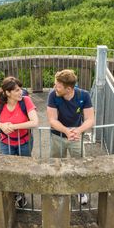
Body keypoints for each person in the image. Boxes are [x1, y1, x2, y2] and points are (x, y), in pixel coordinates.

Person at [0, 76, 39, 207]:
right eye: (17, 90)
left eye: (20, 89)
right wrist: (1, 125)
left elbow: (34, 122)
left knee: (23, 168)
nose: (21, 92)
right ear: (8, 93)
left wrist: (12, 126)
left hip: (24, 142)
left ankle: (21, 193)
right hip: (6, 142)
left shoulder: (26, 100)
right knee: (7, 168)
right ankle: (13, 194)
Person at [46, 69, 95, 204]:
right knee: (56, 163)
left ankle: (80, 190)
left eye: (58, 86)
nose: (55, 87)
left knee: (79, 163)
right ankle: (56, 188)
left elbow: (90, 119)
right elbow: (52, 120)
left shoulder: (83, 95)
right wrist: (67, 132)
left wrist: (78, 131)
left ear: (68, 89)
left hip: (75, 136)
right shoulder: (53, 95)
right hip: (58, 136)